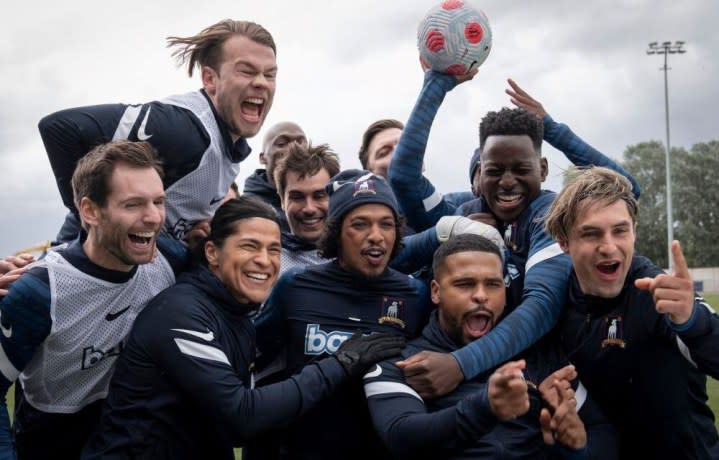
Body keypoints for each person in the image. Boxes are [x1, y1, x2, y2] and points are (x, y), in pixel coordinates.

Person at [82, 197, 404, 460]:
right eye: (250, 246)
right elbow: (242, 414)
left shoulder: (236, 310)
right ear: (213, 253)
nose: (265, 260)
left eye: (274, 249)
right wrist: (340, 363)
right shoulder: (181, 313)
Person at [390, 72, 641, 399]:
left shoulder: (551, 215)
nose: (507, 182)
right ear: (479, 174)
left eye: (521, 169)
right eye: (494, 171)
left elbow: (541, 306)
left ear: (544, 169)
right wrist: (437, 83)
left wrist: (460, 364)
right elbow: (403, 182)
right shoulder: (464, 211)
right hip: (463, 368)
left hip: (538, 376)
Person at [0, 141, 188, 459]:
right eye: (133, 204)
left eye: (159, 201)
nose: (154, 217)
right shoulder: (40, 291)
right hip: (52, 442)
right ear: (90, 211)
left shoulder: (171, 259)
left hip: (131, 438)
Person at [365, 234, 617, 459]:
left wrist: (575, 448)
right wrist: (486, 406)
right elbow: (401, 436)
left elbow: (602, 432)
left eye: (493, 285)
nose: (481, 295)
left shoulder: (539, 355)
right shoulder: (400, 362)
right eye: (465, 284)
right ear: (435, 292)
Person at [39, 19, 277, 244]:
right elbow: (60, 128)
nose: (261, 83)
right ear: (209, 79)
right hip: (79, 277)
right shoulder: (184, 130)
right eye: (246, 71)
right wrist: (96, 228)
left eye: (270, 75)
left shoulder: (229, 147)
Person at [254, 170, 435, 459]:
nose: (376, 236)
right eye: (360, 224)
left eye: (386, 224)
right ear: (336, 231)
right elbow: (254, 359)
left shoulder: (415, 295)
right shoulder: (294, 286)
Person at [543, 166, 719, 459]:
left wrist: (693, 322)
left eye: (620, 230)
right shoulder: (557, 302)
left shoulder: (653, 291)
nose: (609, 247)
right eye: (591, 234)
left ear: (634, 231)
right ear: (564, 242)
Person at [243, 121, 307, 232]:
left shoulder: (327, 202)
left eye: (301, 143)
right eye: (281, 144)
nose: (294, 148)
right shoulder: (246, 209)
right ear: (262, 158)